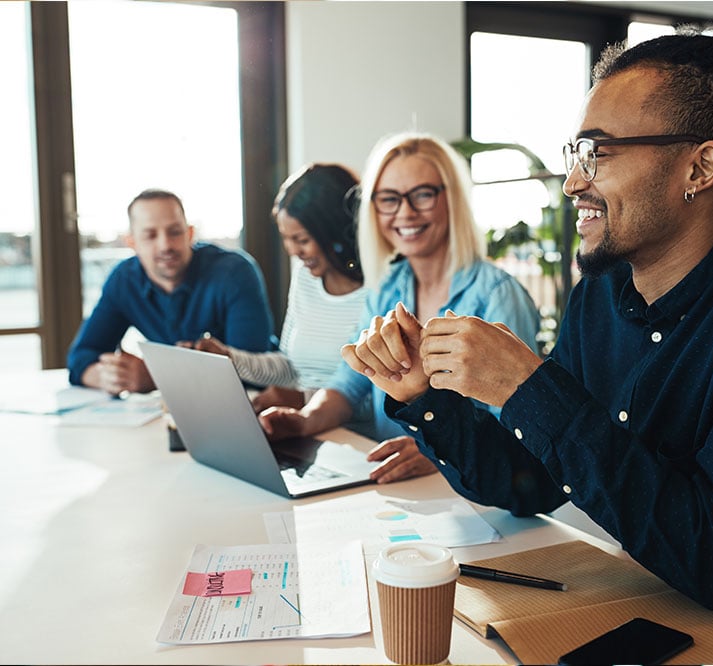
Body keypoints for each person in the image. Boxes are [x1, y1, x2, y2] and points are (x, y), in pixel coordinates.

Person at [340, 30, 713, 661]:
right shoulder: (602, 295)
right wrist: (424, 396)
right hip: (663, 609)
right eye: (576, 151)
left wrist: (528, 388)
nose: (574, 179)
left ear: (699, 168)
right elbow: (531, 484)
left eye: (598, 152)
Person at [259, 131, 542, 484]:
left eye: (422, 195)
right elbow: (350, 382)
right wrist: (305, 419)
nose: (405, 213)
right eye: (389, 199)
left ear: (451, 199)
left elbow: (519, 424)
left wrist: (436, 448)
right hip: (392, 482)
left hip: (472, 489)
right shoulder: (387, 287)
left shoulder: (498, 295)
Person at [192, 164, 371, 418]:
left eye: (302, 240)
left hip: (353, 439)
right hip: (304, 428)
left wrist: (303, 400)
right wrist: (229, 358)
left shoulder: (382, 291)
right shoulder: (306, 277)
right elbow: (290, 368)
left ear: (337, 232)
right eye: (286, 239)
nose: (293, 251)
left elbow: (384, 403)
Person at [67, 189, 275, 395]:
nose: (165, 245)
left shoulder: (234, 273)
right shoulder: (124, 280)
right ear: (132, 243)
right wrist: (108, 376)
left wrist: (158, 377)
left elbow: (252, 373)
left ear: (190, 234)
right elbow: (79, 359)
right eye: (150, 235)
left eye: (175, 232)